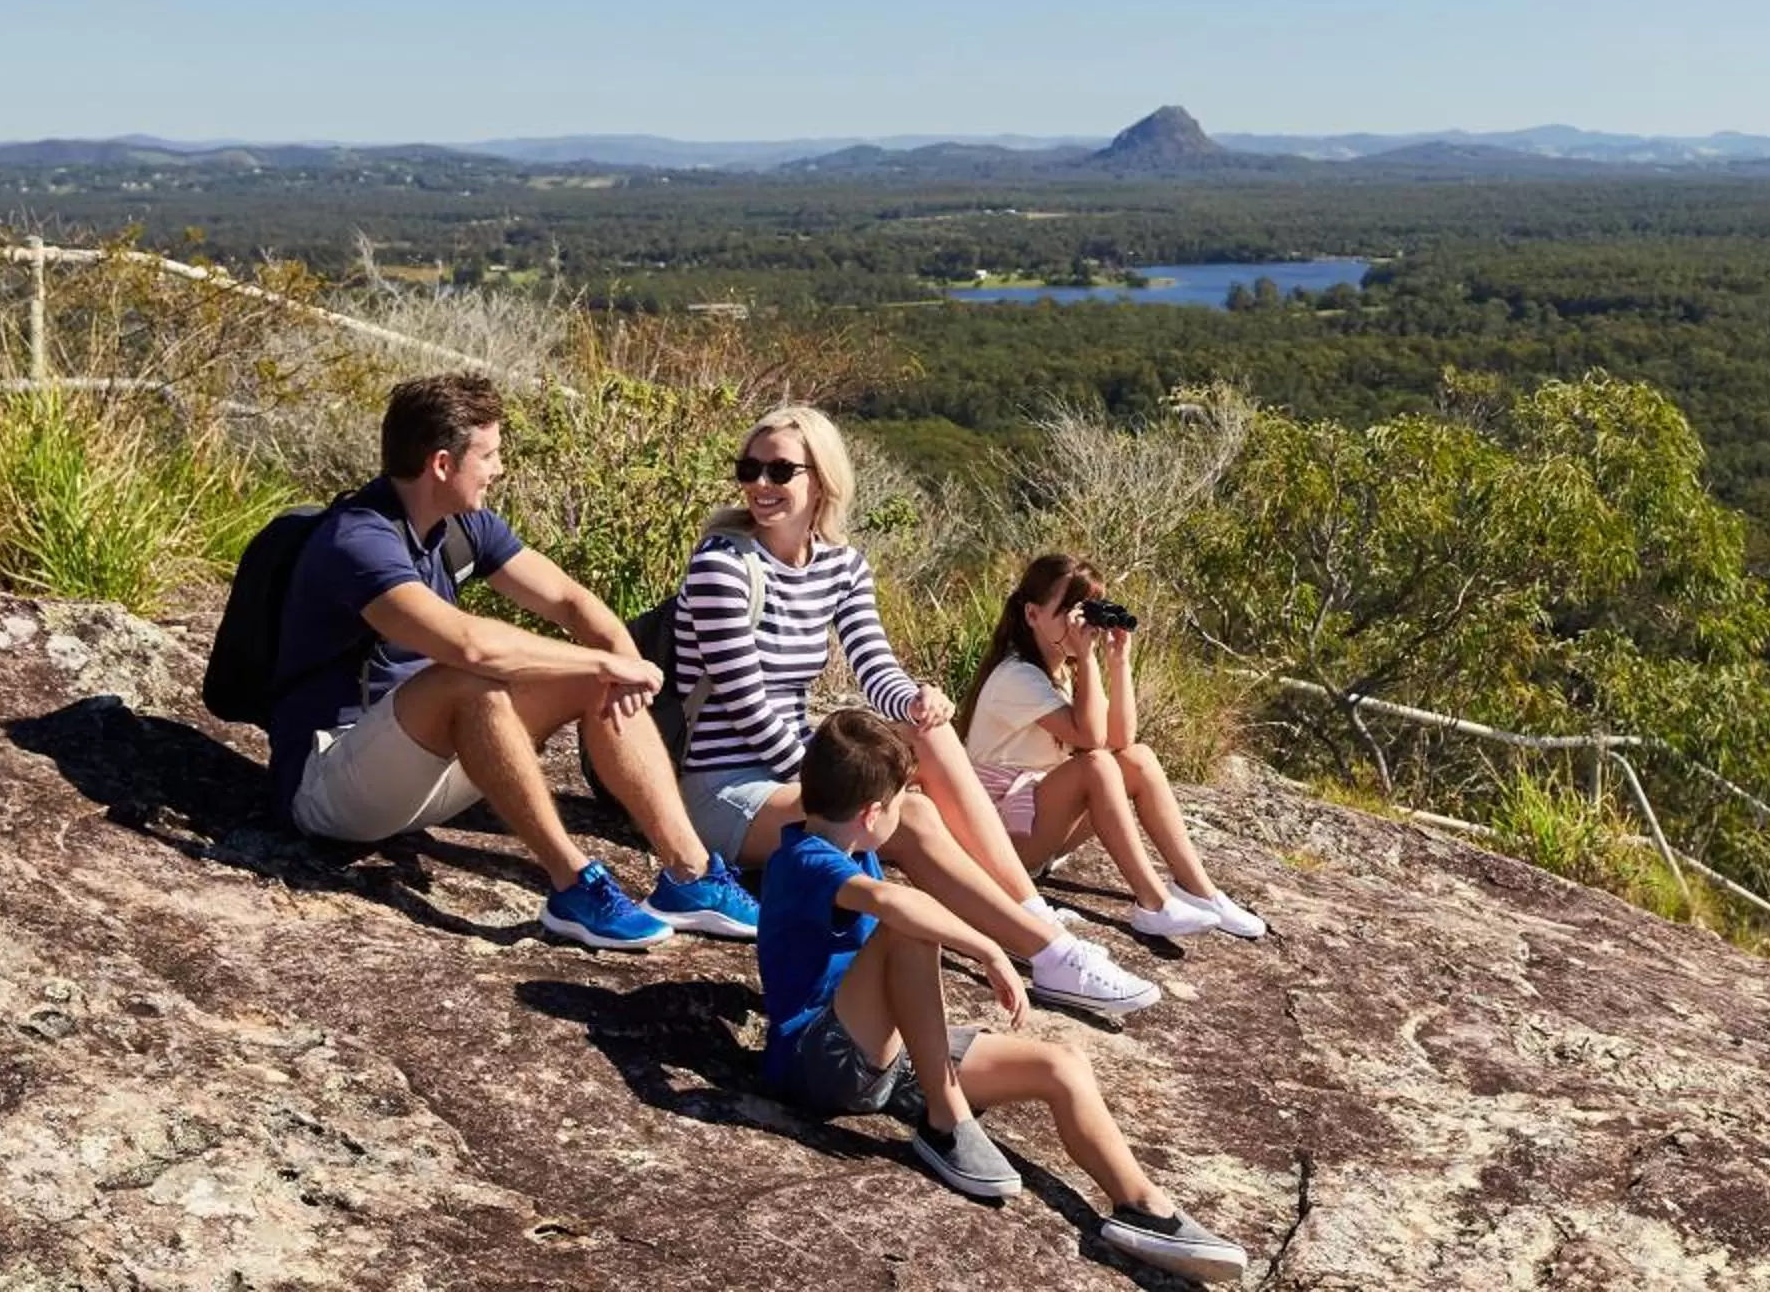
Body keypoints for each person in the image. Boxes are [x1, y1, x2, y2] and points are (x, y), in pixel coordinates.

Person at [671, 404, 1159, 1018]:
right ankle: (1050, 953)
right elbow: (747, 710)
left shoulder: (841, 566)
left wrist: (915, 700)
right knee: (909, 817)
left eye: (779, 471)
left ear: (821, 480)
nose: (760, 484)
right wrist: (848, 785)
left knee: (930, 733)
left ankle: (1030, 913)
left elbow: (874, 665)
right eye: (750, 469)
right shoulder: (722, 565)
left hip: (796, 773)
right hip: (728, 789)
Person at [268, 371, 757, 951]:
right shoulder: (358, 540)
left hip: (425, 770)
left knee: (593, 679)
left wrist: (621, 665)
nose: (499, 469)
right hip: (334, 788)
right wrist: (602, 665)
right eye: (489, 455)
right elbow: (469, 645)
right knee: (473, 678)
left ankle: (691, 875)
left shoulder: (461, 526)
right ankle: (572, 885)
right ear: (442, 464)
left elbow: (570, 601)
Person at [760, 709, 1249, 1283]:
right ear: (871, 814)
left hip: (887, 1055)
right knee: (906, 929)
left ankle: (1143, 1208)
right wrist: (988, 949)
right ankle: (946, 1120)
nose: (908, 806)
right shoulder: (803, 859)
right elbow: (895, 905)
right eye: (899, 801)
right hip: (817, 1062)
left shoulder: (848, 844)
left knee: (1061, 1065)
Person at [960, 555, 1266, 940]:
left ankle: (1199, 890)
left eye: (1088, 611)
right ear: (1033, 614)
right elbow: (1091, 740)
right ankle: (1154, 903)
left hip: (1035, 824)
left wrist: (1119, 662)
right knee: (1097, 765)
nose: (1081, 624)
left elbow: (1121, 740)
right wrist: (1088, 658)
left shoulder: (1060, 673)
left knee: (1139, 760)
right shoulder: (1016, 675)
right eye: (1070, 611)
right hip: (1000, 840)